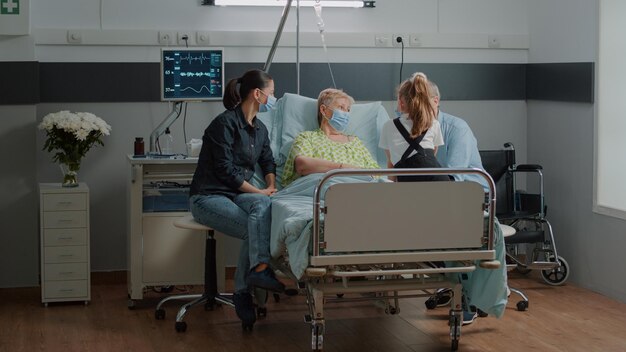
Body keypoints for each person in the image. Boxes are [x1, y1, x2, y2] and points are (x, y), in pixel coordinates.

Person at [189, 69, 284, 328]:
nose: (273, 98)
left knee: (264, 206)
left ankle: (256, 274)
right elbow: (225, 170)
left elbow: (268, 161)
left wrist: (271, 186)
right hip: (207, 197)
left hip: (236, 196)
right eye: (272, 93)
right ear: (258, 93)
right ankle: (246, 288)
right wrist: (259, 192)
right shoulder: (224, 124)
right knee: (254, 226)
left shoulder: (260, 129)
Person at [427, 79, 509, 326]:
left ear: (435, 101)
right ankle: (459, 288)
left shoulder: (455, 128)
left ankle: (470, 298)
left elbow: (456, 175)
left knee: (456, 229)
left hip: (469, 194)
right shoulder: (408, 129)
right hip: (434, 197)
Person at [281, 88, 380, 187]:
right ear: (323, 110)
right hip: (323, 191)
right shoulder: (307, 137)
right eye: (341, 107)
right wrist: (342, 168)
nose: (346, 113)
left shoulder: (355, 142)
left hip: (359, 190)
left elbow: (375, 173)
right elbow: (302, 165)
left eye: (348, 109)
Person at [378, 72, 449, 182]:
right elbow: (431, 156)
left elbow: (391, 162)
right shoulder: (434, 123)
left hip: (409, 182)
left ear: (401, 103)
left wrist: (390, 189)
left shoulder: (388, 126)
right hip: (438, 180)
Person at [429, 80, 489, 191]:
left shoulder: (458, 129)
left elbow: (454, 179)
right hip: (441, 193)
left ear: (435, 101)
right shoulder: (413, 129)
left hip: (474, 194)